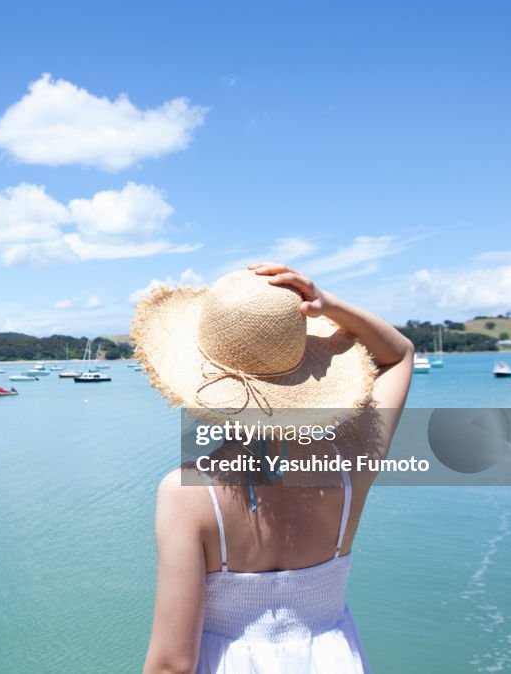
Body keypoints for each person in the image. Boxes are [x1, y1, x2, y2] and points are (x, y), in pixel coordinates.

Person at [133, 263, 414, 674]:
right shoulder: (350, 461)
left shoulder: (187, 494)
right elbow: (399, 354)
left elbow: (173, 664)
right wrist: (329, 304)